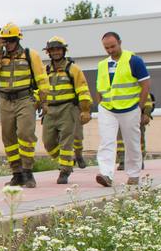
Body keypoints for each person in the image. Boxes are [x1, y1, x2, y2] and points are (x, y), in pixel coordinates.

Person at [0, 24, 47, 188]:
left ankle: (28, 171)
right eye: (5, 41)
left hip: (25, 99)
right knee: (9, 139)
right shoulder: (0, 57)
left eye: (11, 40)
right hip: (5, 101)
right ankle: (17, 174)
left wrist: (44, 100)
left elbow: (42, 78)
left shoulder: (30, 55)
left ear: (18, 39)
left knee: (26, 134)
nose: (8, 44)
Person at [94, 31, 151, 187]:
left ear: (120, 42)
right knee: (106, 141)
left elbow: (145, 84)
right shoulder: (102, 65)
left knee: (131, 142)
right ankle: (106, 174)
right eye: (107, 48)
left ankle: (133, 174)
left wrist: (140, 106)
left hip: (130, 108)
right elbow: (100, 87)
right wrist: (100, 105)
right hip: (108, 109)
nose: (110, 50)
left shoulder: (134, 61)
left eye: (113, 46)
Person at [39, 36, 91, 184]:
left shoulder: (73, 69)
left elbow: (83, 90)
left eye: (58, 49)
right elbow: (40, 89)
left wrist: (85, 110)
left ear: (63, 50)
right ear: (48, 52)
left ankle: (65, 170)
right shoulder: (45, 70)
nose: (55, 52)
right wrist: (37, 103)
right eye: (52, 50)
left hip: (68, 109)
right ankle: (67, 160)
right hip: (50, 110)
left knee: (66, 141)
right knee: (48, 142)